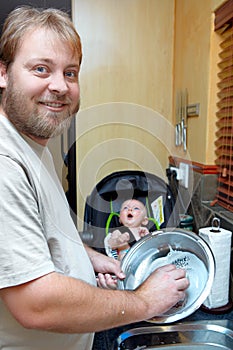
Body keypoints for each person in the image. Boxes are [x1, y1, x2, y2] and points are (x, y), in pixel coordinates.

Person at [0, 6, 189, 350]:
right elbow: (35, 303)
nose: (59, 86)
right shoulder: (5, 163)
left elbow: (41, 236)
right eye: (41, 68)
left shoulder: (32, 146)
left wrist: (88, 258)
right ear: (3, 74)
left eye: (70, 73)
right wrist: (146, 301)